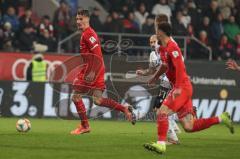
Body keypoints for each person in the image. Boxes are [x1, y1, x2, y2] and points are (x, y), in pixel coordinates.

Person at [143, 22, 234, 154]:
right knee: (189, 126)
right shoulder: (162, 48)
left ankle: (161, 144)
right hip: (182, 87)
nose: (156, 32)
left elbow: (180, 67)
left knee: (161, 112)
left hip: (182, 87)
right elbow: (164, 66)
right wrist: (154, 77)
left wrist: (178, 88)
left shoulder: (172, 47)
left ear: (162, 32)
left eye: (157, 30)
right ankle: (221, 118)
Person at [70, 10, 136, 135]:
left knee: (76, 96)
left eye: (81, 19)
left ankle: (85, 126)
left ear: (87, 19)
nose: (78, 22)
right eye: (77, 19)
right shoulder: (87, 33)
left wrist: (92, 72)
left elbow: (98, 55)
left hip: (92, 70)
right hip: (98, 69)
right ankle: (124, 108)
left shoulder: (88, 34)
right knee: (98, 100)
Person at [136, 35, 180, 144]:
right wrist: (143, 72)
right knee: (160, 108)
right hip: (165, 82)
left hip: (170, 81)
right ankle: (174, 127)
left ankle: (173, 135)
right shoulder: (152, 55)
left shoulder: (165, 50)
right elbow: (151, 70)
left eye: (154, 41)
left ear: (158, 41)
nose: (152, 44)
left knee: (159, 109)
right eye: (150, 42)